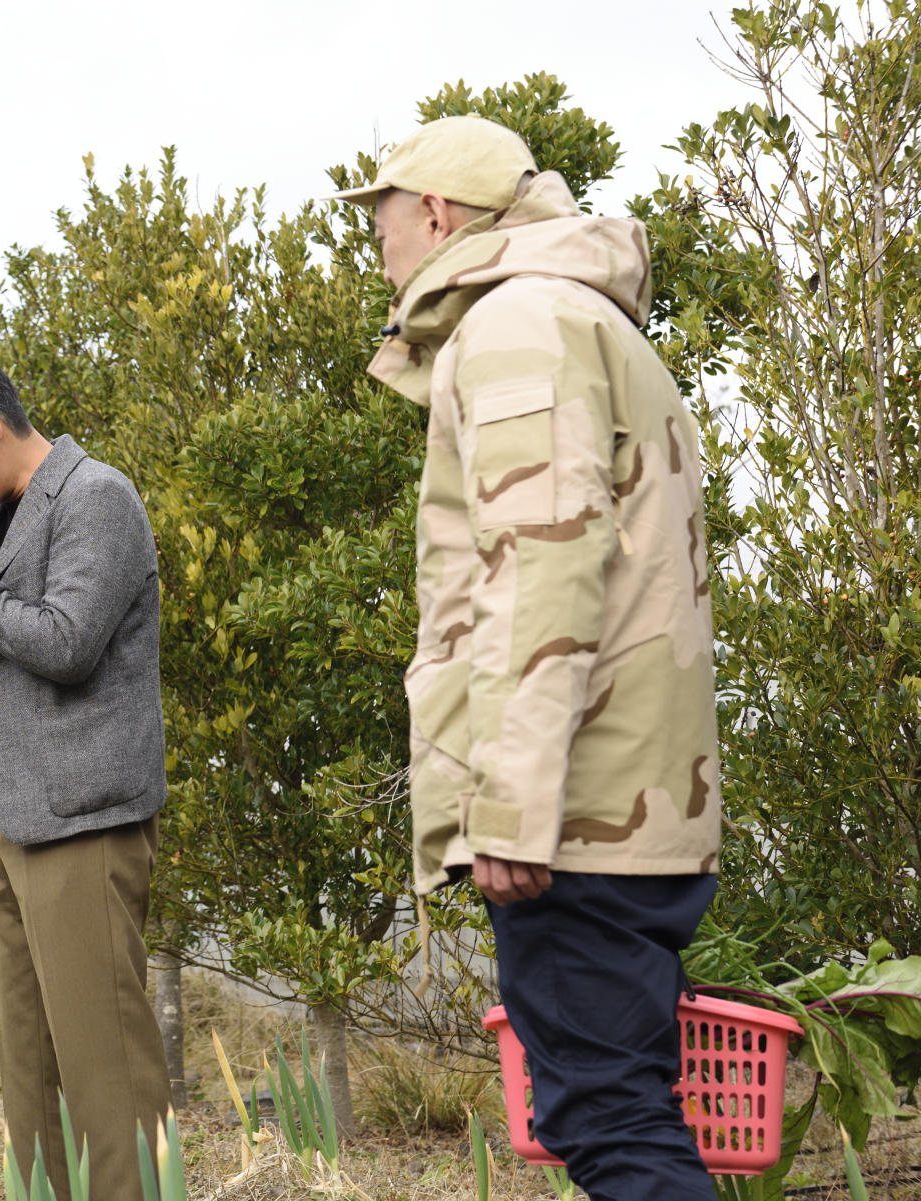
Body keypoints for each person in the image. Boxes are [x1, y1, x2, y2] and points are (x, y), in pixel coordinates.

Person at [333, 116, 722, 1198]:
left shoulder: (517, 329)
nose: (382, 250)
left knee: (609, 1123)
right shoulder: (586, 322)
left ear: (440, 215)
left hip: (583, 819)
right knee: (620, 1109)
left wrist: (507, 812)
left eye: (385, 222)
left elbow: (541, 572)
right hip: (632, 802)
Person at [0, 347, 173, 1201]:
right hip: (14, 824)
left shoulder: (96, 498)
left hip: (82, 823)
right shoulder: (10, 518)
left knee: (105, 1074)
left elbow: (66, 644)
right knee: (32, 1080)